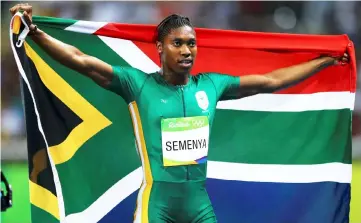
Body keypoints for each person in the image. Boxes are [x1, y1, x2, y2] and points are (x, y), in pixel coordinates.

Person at [10, 3, 349, 223]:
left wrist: (325, 61)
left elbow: (271, 80)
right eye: (178, 43)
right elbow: (82, 61)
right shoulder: (137, 84)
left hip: (199, 205)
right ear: (160, 47)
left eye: (192, 43)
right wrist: (35, 32)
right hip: (157, 205)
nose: (187, 51)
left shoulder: (211, 86)